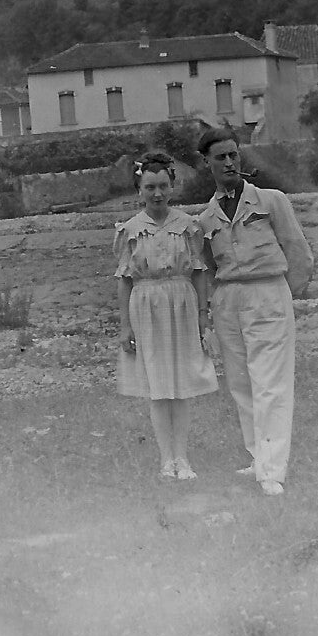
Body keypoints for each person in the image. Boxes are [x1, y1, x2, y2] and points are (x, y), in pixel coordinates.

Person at [195, 127, 314, 497]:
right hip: (230, 300)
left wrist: (282, 296)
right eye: (220, 157)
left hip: (268, 293)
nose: (229, 162)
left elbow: (299, 253)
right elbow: (209, 269)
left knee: (271, 385)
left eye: (234, 154)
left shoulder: (270, 201)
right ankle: (257, 457)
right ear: (207, 164)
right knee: (242, 383)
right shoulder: (206, 218)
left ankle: (272, 471)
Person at [115, 152, 219, 480]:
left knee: (181, 383)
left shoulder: (188, 225)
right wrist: (124, 326)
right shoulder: (130, 230)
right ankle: (166, 458)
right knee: (159, 385)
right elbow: (125, 279)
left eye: (163, 186)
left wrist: (203, 315)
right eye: (149, 187)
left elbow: (200, 273)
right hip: (146, 306)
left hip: (182, 304)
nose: (157, 193)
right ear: (139, 191)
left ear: (172, 187)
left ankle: (183, 457)